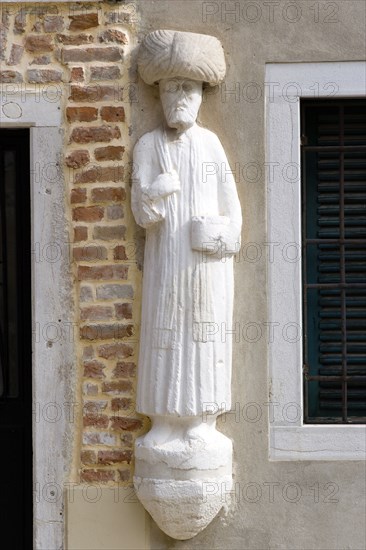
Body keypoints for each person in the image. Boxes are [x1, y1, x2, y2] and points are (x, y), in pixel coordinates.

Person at [131, 30, 242, 444]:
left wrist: (216, 236)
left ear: (199, 95)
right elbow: (142, 212)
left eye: (188, 89)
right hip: (165, 265)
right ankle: (162, 421)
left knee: (202, 337)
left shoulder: (211, 146)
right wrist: (158, 190)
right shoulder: (148, 145)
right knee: (163, 337)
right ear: (159, 95)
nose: (180, 96)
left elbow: (233, 217)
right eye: (171, 88)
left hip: (203, 269)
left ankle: (200, 422)